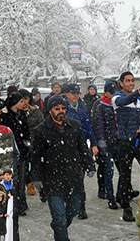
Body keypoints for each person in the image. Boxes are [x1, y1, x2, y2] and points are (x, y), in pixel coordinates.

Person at [31, 95, 96, 241]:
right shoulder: (41, 131)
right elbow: (36, 157)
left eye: (63, 108)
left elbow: (83, 149)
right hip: (52, 179)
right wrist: (36, 177)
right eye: (57, 109)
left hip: (73, 177)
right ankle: (61, 233)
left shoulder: (75, 126)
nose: (61, 111)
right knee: (59, 216)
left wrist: (89, 164)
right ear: (49, 111)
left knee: (74, 209)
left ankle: (59, 226)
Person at [112, 72, 140, 222]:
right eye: (127, 81)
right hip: (124, 142)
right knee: (125, 175)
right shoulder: (117, 98)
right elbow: (126, 101)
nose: (130, 83)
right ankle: (126, 207)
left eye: (132, 81)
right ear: (121, 83)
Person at [63, 83, 98, 220]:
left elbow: (88, 126)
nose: (75, 96)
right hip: (67, 148)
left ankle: (81, 207)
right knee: (68, 179)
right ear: (67, 94)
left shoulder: (82, 107)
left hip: (81, 147)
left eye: (77, 93)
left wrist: (94, 143)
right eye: (72, 93)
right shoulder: (63, 108)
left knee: (79, 179)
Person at [91, 80, 121, 210]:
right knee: (108, 172)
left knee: (123, 171)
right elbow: (99, 127)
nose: (113, 95)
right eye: (111, 92)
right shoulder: (100, 106)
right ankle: (110, 197)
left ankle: (121, 194)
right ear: (105, 93)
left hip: (119, 143)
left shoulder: (119, 104)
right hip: (108, 144)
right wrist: (101, 144)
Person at [0, 92, 30, 216]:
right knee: (12, 179)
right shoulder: (5, 116)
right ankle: (12, 203)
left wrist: (26, 145)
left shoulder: (21, 115)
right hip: (10, 152)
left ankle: (20, 204)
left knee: (21, 180)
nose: (23, 104)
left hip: (21, 151)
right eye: (20, 101)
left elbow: (26, 131)